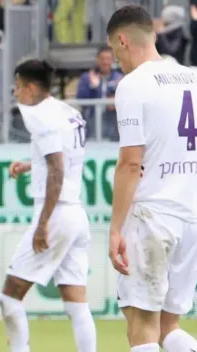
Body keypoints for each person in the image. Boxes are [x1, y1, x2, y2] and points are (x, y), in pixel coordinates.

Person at [106, 5, 197, 352]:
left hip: (152, 217)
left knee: (141, 328)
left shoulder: (133, 85)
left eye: (115, 51)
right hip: (190, 216)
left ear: (123, 40)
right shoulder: (192, 77)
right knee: (168, 327)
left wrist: (115, 229)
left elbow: (130, 164)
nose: (117, 59)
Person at [0, 59, 96, 352]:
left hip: (56, 214)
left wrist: (42, 224)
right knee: (76, 305)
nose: (15, 93)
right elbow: (63, 158)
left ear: (30, 87)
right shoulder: (69, 112)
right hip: (76, 214)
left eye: (17, 86)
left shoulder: (38, 114)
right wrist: (31, 165)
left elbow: (57, 168)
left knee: (10, 297)